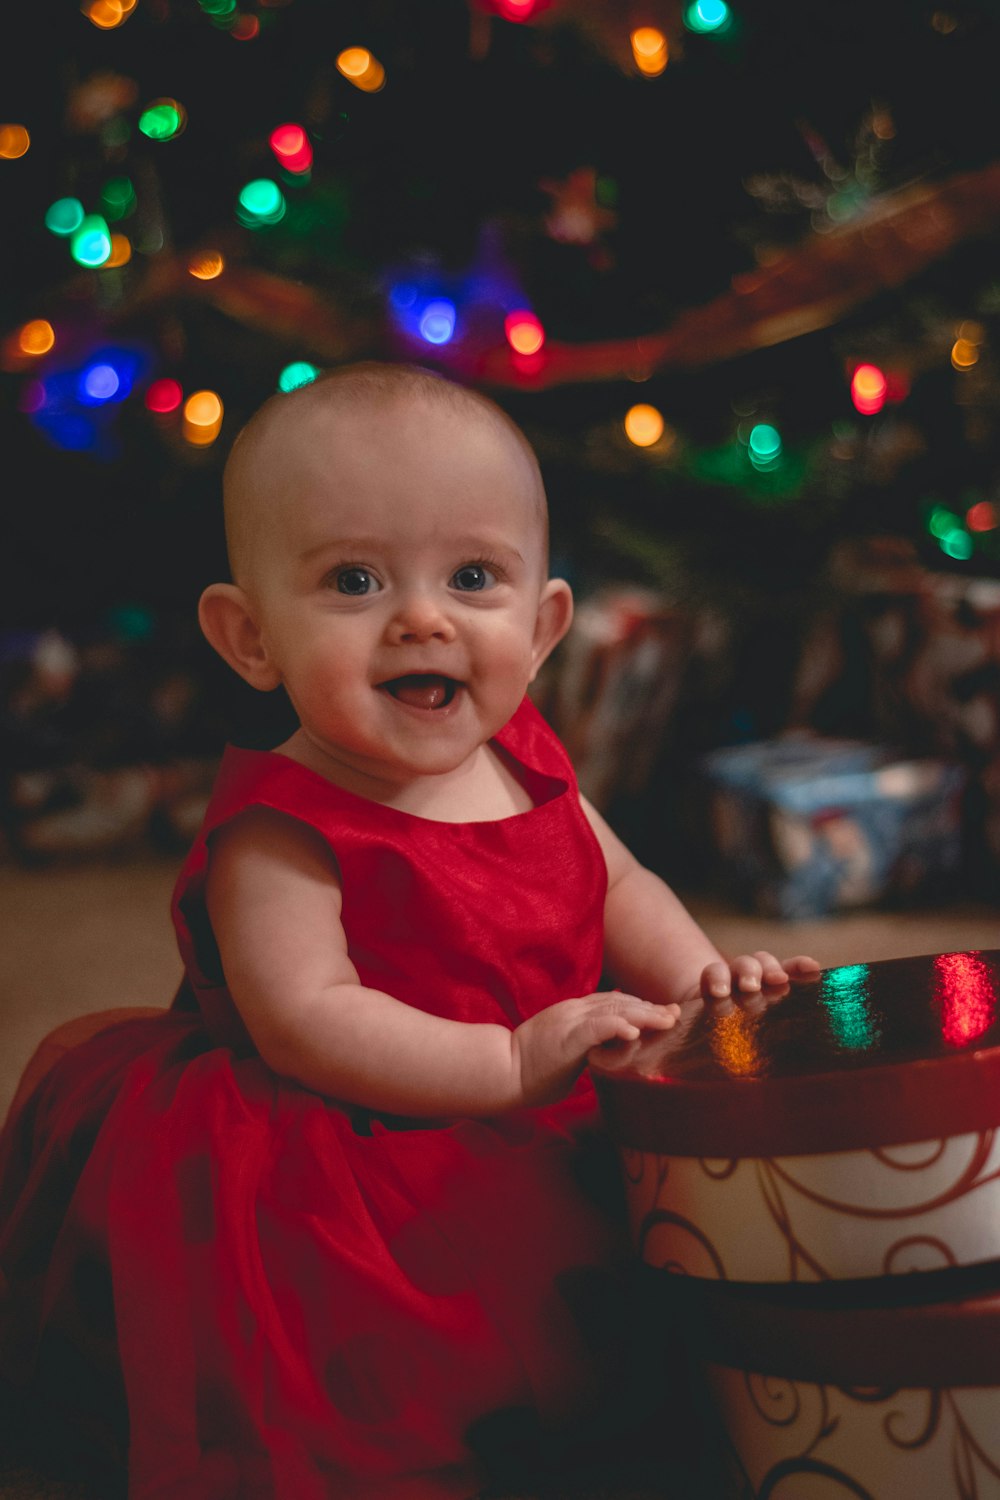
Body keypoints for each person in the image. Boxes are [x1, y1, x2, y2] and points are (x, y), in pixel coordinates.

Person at [0, 362, 819, 1500]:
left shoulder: (526, 752)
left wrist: (705, 985)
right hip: (356, 1150)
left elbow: (615, 880)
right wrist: (507, 1060)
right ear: (250, 639)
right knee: (419, 1378)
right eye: (353, 580)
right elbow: (305, 1020)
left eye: (472, 576)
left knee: (673, 1267)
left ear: (540, 629)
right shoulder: (278, 829)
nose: (422, 616)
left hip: (539, 1078)